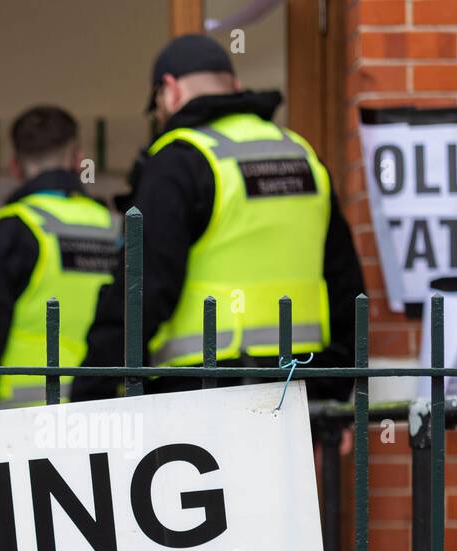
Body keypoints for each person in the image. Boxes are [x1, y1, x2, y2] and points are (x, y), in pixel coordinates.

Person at [70, 34, 364, 404]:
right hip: (298, 391)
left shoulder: (180, 160)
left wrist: (92, 391)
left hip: (202, 396)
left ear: (170, 91)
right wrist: (335, 391)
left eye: (156, 106)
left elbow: (143, 289)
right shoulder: (303, 155)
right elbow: (346, 284)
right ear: (235, 86)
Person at [0, 105, 118, 406]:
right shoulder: (118, 228)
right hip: (111, 410)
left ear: (14, 166)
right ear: (79, 161)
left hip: (22, 420)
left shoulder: (2, 232)